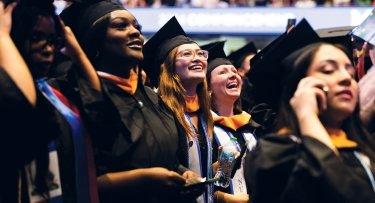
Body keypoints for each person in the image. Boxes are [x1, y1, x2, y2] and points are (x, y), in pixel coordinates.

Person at [60, 2, 201, 202]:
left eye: (137, 27)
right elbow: (75, 180)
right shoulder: (80, 97)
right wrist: (143, 179)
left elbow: (169, 159)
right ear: (96, 41)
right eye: (120, 26)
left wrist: (185, 173)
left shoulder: (151, 97)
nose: (135, 32)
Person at [244, 41, 375, 202]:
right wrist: (306, 114)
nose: (346, 78)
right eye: (328, 70)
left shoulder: (364, 147)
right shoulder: (276, 153)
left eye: (350, 72)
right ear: (299, 86)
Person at [10, 0, 101, 202]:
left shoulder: (55, 92)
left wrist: (73, 46)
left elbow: (99, 105)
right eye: (36, 37)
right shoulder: (8, 97)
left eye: (52, 40)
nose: (48, 49)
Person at [142, 16, 214, 203]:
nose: (197, 58)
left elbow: (202, 170)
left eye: (200, 53)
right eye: (186, 54)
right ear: (169, 67)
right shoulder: (156, 110)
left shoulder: (206, 113)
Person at [204, 41, 257, 203]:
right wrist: (225, 198)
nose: (232, 75)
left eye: (234, 71)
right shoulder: (203, 129)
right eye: (222, 72)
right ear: (208, 88)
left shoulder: (251, 126)